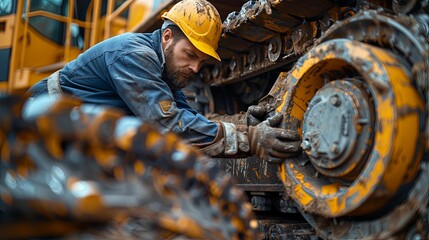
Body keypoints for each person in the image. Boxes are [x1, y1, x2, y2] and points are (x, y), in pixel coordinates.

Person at [28, 0, 301, 162]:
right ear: (167, 37)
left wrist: (242, 123)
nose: (195, 67)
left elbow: (186, 116)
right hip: (35, 126)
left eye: (202, 62)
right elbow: (168, 125)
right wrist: (251, 138)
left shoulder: (165, 70)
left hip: (69, 132)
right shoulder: (133, 55)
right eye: (190, 55)